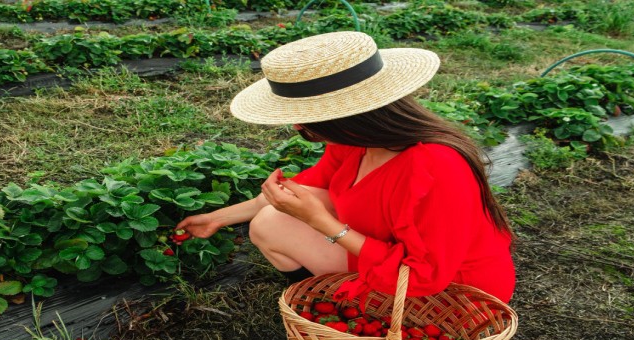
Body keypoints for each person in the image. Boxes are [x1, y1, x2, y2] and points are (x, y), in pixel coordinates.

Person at [175, 31, 516, 304]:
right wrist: (218, 218)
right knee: (271, 220)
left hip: (447, 292)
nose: (296, 127)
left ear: (351, 115)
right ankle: (332, 301)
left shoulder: (437, 166)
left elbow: (423, 276)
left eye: (304, 117)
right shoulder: (355, 144)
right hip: (391, 257)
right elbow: (304, 190)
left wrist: (320, 222)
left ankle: (354, 307)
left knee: (271, 225)